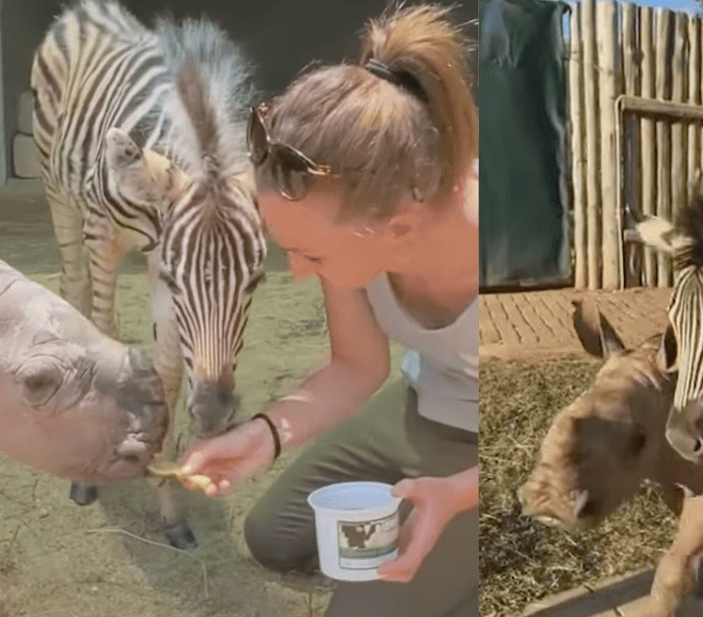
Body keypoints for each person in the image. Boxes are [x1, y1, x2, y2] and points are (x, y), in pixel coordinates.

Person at [174, 4, 479, 616]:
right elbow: (355, 368)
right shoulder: (361, 218)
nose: (295, 271)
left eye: (311, 255)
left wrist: (457, 493)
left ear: (399, 229)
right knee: (272, 536)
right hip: (422, 401)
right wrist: (265, 435)